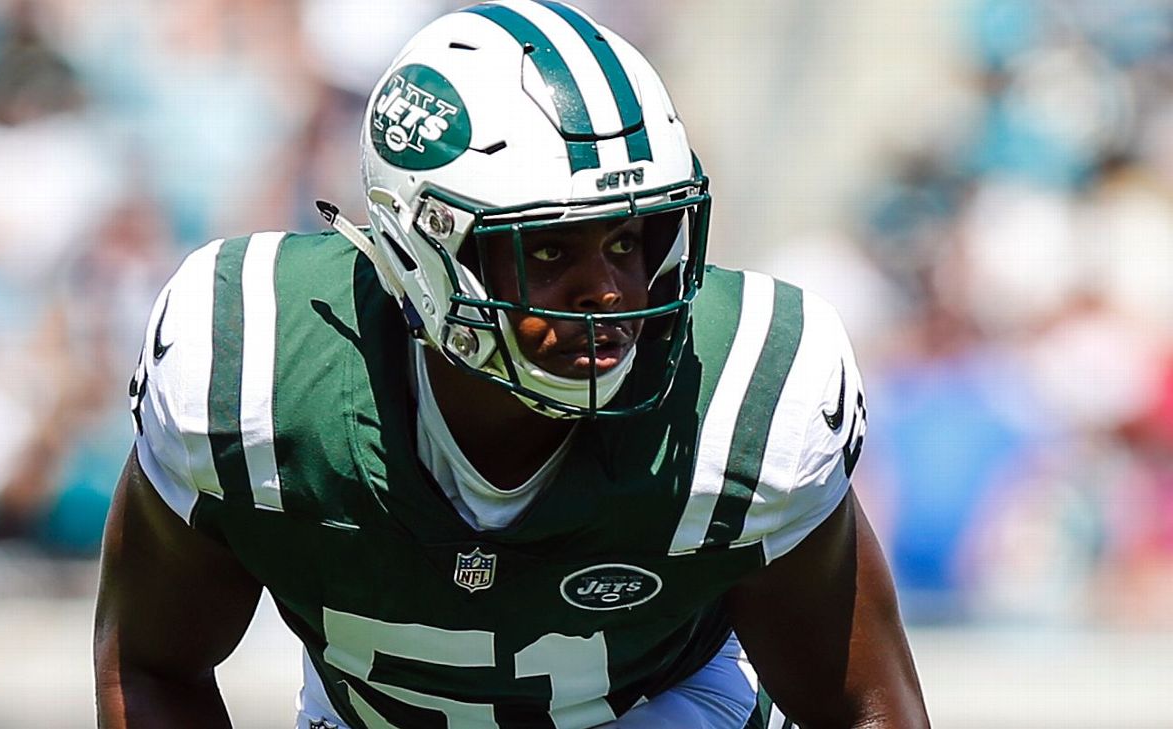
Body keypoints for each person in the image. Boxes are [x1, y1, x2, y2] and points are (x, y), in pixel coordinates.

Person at [94, 2, 929, 727]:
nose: (607, 292)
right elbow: (152, 664)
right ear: (422, 249)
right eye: (552, 247)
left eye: (629, 239)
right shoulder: (256, 370)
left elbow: (861, 705)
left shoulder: (742, 397)